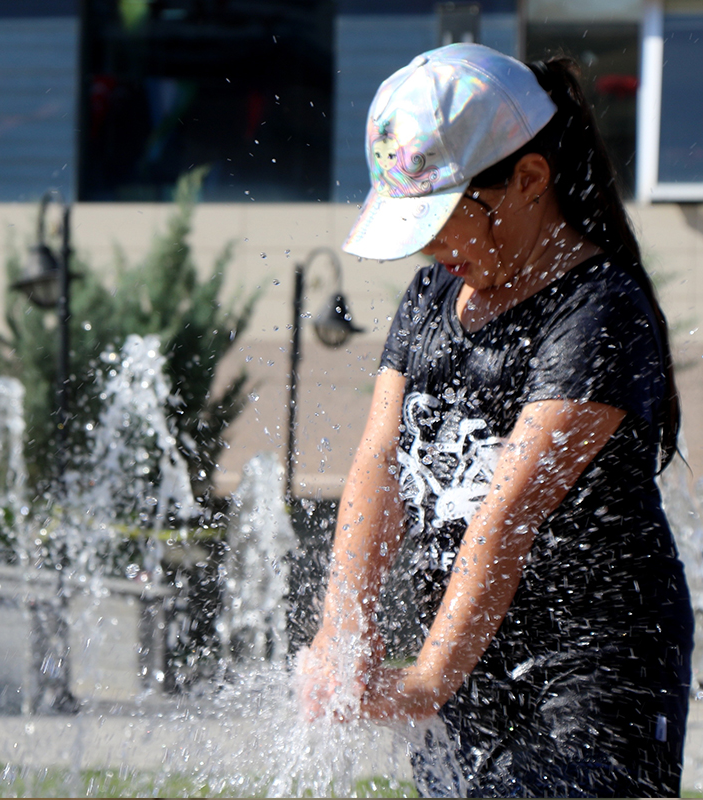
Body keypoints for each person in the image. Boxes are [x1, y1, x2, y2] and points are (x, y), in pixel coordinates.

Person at [294, 43, 695, 797]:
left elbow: (509, 513)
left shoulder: (597, 311)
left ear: (529, 180)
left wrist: (426, 680)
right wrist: (342, 634)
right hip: (471, 644)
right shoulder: (429, 300)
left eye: (439, 218)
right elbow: (378, 464)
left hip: (591, 670)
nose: (426, 245)